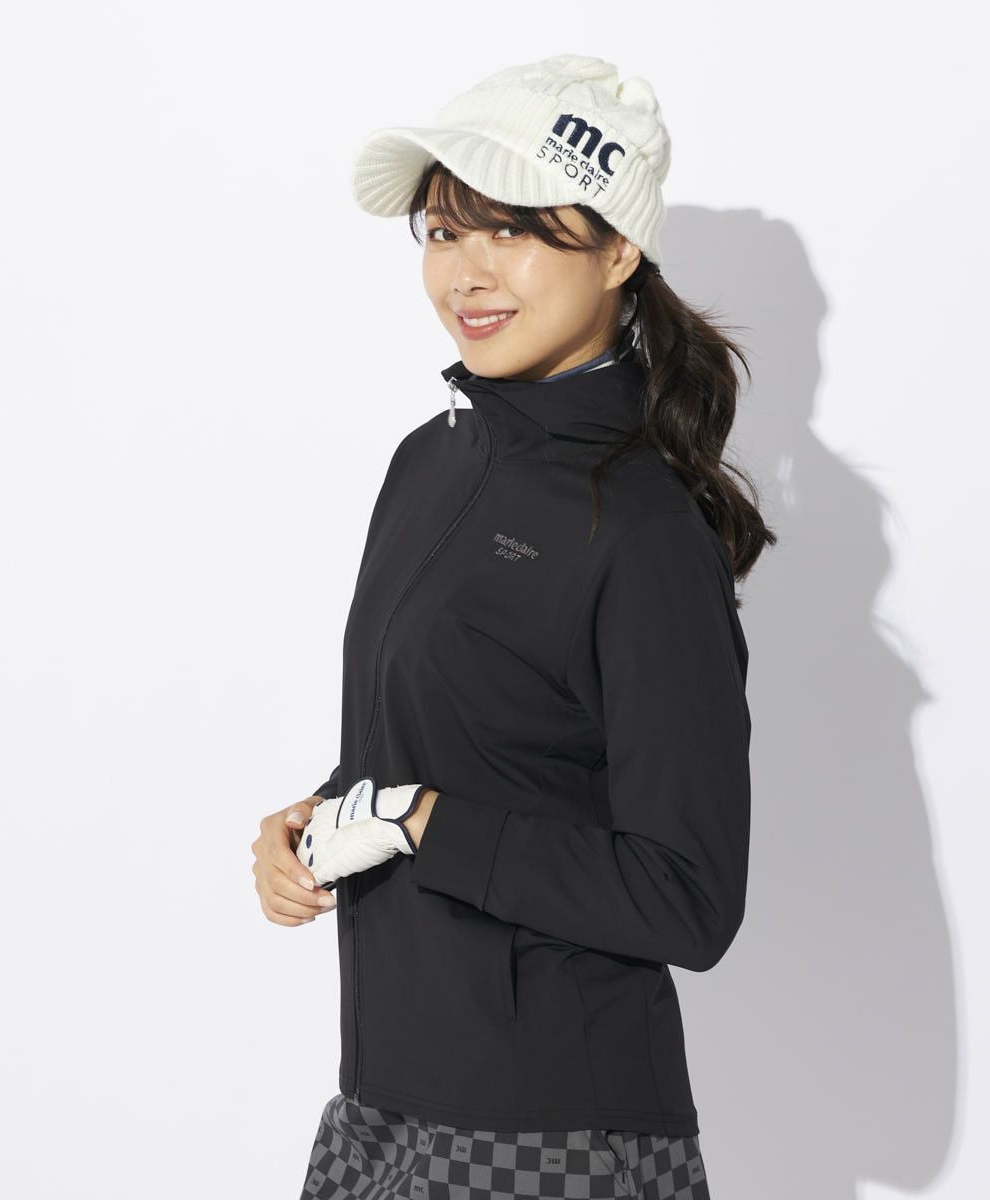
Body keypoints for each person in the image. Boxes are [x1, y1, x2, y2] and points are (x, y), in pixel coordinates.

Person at [250, 52, 776, 1200]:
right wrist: (323, 816)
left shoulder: (642, 528)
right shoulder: (429, 463)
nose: (469, 271)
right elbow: (465, 749)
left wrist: (424, 823)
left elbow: (688, 897)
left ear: (618, 251)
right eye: (444, 231)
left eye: (516, 230)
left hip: (554, 1136)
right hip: (379, 1110)